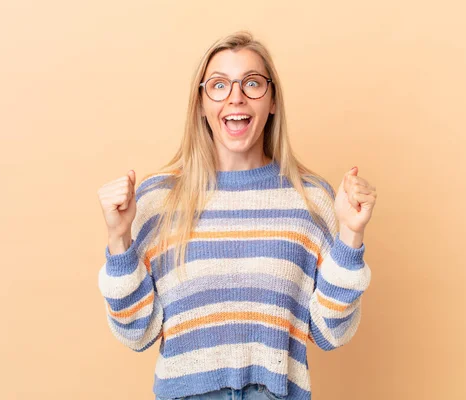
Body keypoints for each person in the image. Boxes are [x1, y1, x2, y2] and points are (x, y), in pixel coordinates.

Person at [96, 31, 377, 400]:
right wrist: (119, 239)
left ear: (272, 100)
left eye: (252, 83)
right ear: (200, 103)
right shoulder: (159, 200)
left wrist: (350, 235)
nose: (235, 97)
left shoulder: (310, 200)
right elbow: (137, 333)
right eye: (218, 85)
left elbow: (330, 333)